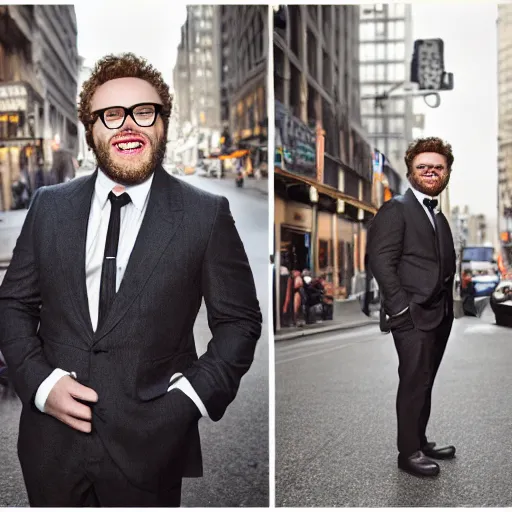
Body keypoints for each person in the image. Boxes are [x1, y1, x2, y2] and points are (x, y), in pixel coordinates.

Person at [0, 53, 262, 507]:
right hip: (51, 450)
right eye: (110, 114)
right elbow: (13, 305)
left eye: (144, 111)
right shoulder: (48, 206)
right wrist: (41, 385)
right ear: (90, 130)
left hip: (152, 453)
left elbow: (239, 322)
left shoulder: (205, 215)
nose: (128, 125)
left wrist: (188, 400)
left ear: (162, 123)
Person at [367, 137, 456, 478]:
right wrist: (400, 309)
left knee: (426, 380)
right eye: (423, 166)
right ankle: (408, 453)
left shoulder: (438, 216)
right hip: (412, 314)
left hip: (440, 315)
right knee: (413, 380)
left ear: (446, 172)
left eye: (438, 166)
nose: (431, 171)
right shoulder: (397, 208)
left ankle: (420, 440)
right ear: (410, 171)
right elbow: (381, 260)